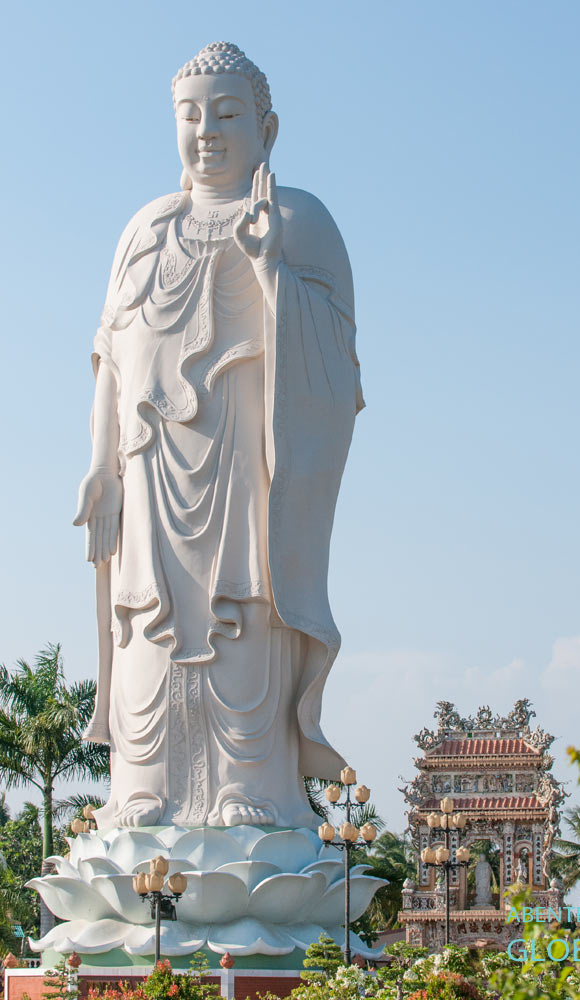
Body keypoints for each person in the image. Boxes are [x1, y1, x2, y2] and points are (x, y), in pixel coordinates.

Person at [73, 42, 363, 829]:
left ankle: (253, 791)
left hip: (246, 470)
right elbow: (112, 353)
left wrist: (270, 269)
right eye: (191, 115)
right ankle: (144, 789)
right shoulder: (145, 228)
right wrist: (100, 465)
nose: (208, 130)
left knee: (243, 614)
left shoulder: (299, 218)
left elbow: (337, 359)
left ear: (267, 127)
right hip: (150, 469)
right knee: (149, 621)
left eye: (228, 113)